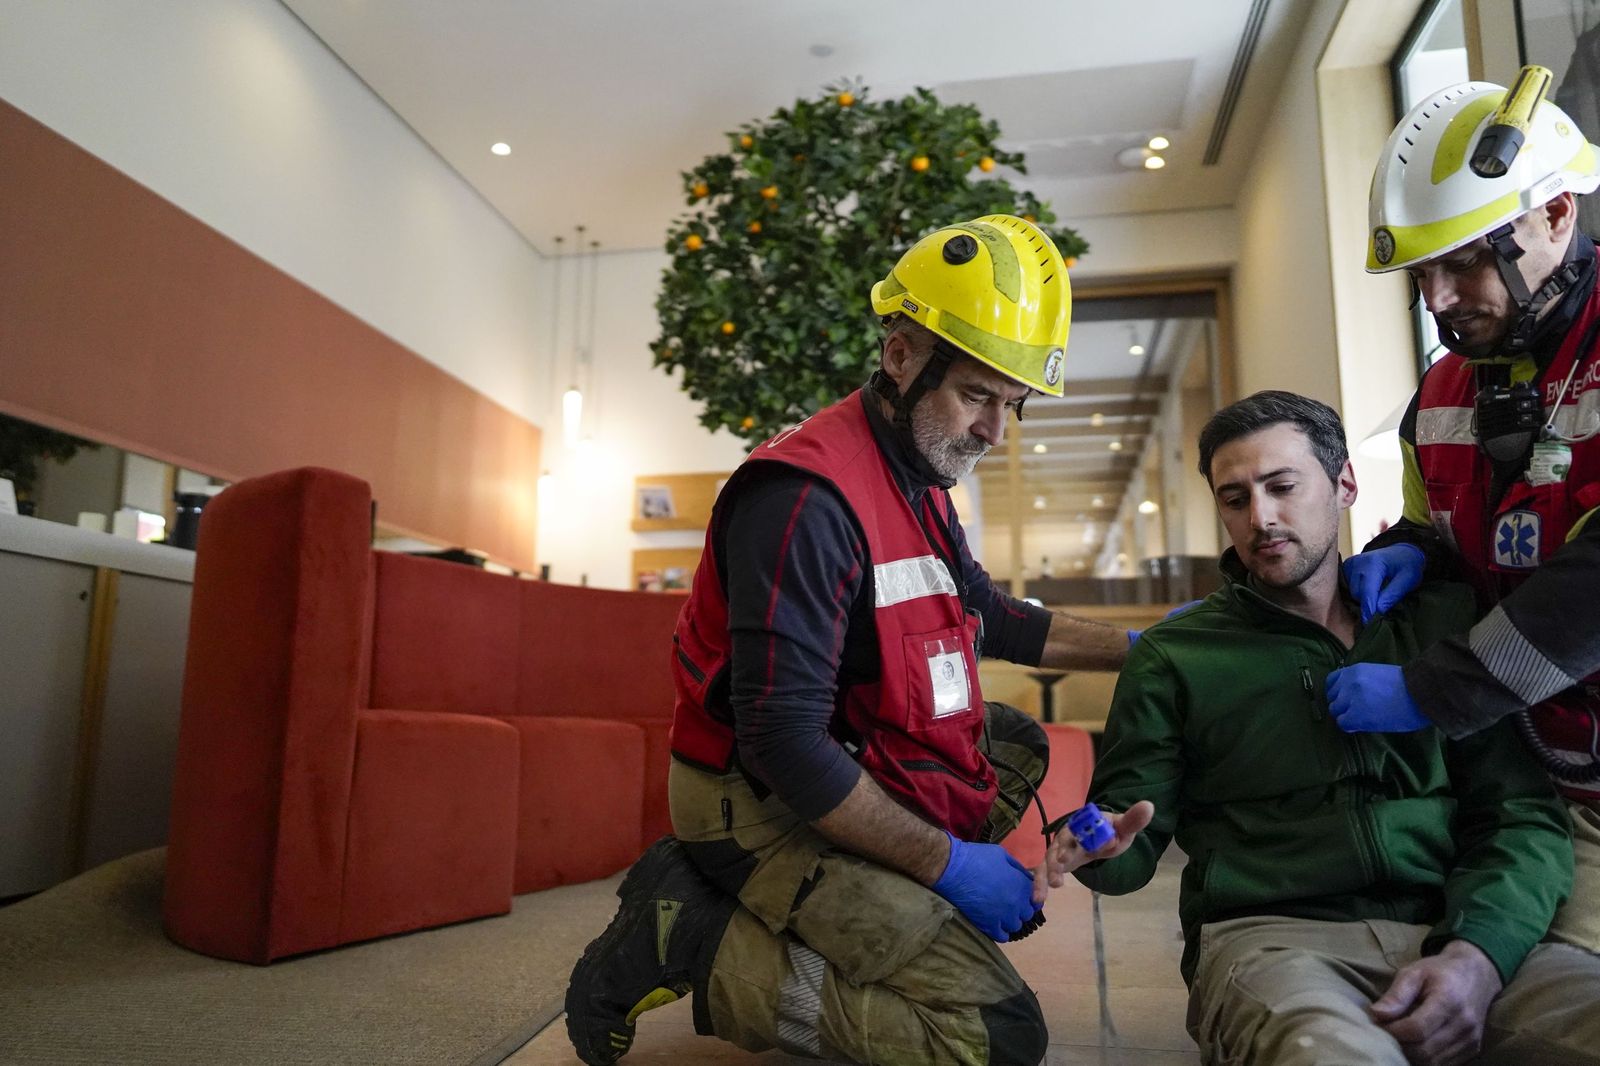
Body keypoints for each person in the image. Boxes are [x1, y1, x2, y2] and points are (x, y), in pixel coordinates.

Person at [564, 214, 1150, 1066]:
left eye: (1011, 405)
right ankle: (697, 936)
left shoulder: (917, 476)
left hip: (841, 751)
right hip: (752, 804)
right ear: (903, 355)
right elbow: (783, 744)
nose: (995, 431)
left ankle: (870, 900)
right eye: (979, 395)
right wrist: (949, 864)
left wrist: (1141, 649)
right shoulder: (804, 503)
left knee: (1012, 740)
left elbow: (986, 610)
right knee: (994, 1038)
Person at [1071, 389, 1600, 1066]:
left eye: (1282, 486)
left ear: (1344, 484)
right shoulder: (1178, 656)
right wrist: (1099, 848)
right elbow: (1127, 831)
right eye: (1235, 499)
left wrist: (1478, 955)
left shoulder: (1446, 630)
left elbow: (1520, 818)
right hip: (1274, 940)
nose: (1261, 517)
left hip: (1460, 927)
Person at [1330, 68, 1600, 955]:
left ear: (1554, 214)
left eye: (1465, 260)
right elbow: (1443, 525)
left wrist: (1429, 690)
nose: (1437, 299)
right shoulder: (1443, 388)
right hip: (1546, 793)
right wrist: (1411, 551)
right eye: (1421, 272)